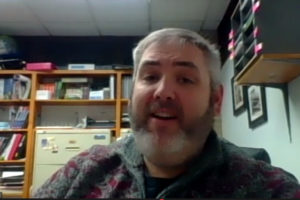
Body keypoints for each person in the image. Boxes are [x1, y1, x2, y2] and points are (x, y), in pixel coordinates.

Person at [33, 28, 300, 198]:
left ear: (216, 100)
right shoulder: (83, 171)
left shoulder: (269, 189)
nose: (163, 92)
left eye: (185, 79)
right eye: (150, 77)